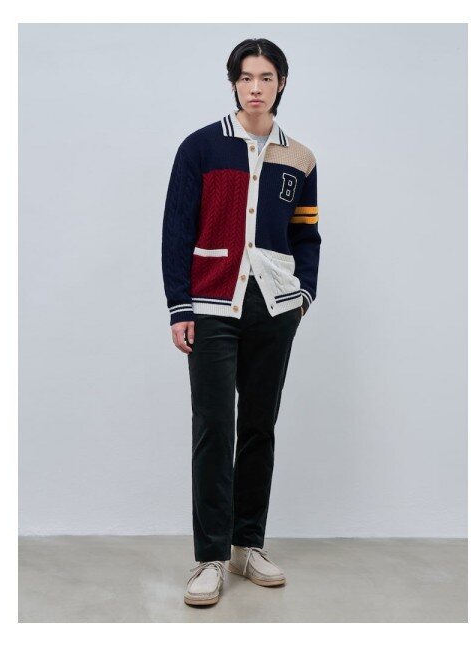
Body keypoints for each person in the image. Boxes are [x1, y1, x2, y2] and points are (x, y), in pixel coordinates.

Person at [161, 37, 321, 606]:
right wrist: (180, 306)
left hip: (274, 308)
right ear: (233, 83)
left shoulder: (300, 158)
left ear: (281, 84)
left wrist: (303, 296)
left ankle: (246, 544)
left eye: (266, 77)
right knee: (213, 427)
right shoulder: (201, 147)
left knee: (258, 426)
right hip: (211, 305)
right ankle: (209, 558)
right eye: (246, 77)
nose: (256, 87)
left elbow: (307, 234)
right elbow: (177, 229)